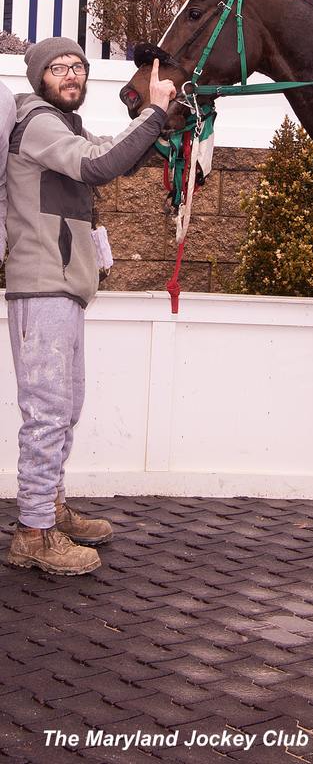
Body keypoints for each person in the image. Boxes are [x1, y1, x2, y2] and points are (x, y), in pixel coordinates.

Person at [4, 37, 173, 576]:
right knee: (48, 412)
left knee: (64, 406)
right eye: (57, 68)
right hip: (43, 285)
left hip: (63, 286)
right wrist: (154, 110)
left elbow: (114, 152)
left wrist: (163, 126)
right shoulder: (39, 123)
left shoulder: (64, 126)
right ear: (38, 77)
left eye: (77, 66)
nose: (71, 75)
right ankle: (33, 531)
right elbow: (99, 164)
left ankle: (47, 507)